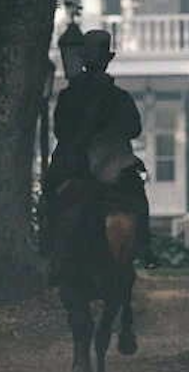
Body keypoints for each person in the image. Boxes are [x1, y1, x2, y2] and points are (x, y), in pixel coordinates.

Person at [42, 29, 149, 279]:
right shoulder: (120, 97)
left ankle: (50, 251)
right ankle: (144, 247)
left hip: (77, 166)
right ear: (107, 59)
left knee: (51, 195)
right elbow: (134, 129)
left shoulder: (69, 96)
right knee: (137, 198)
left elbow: (60, 131)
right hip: (112, 166)